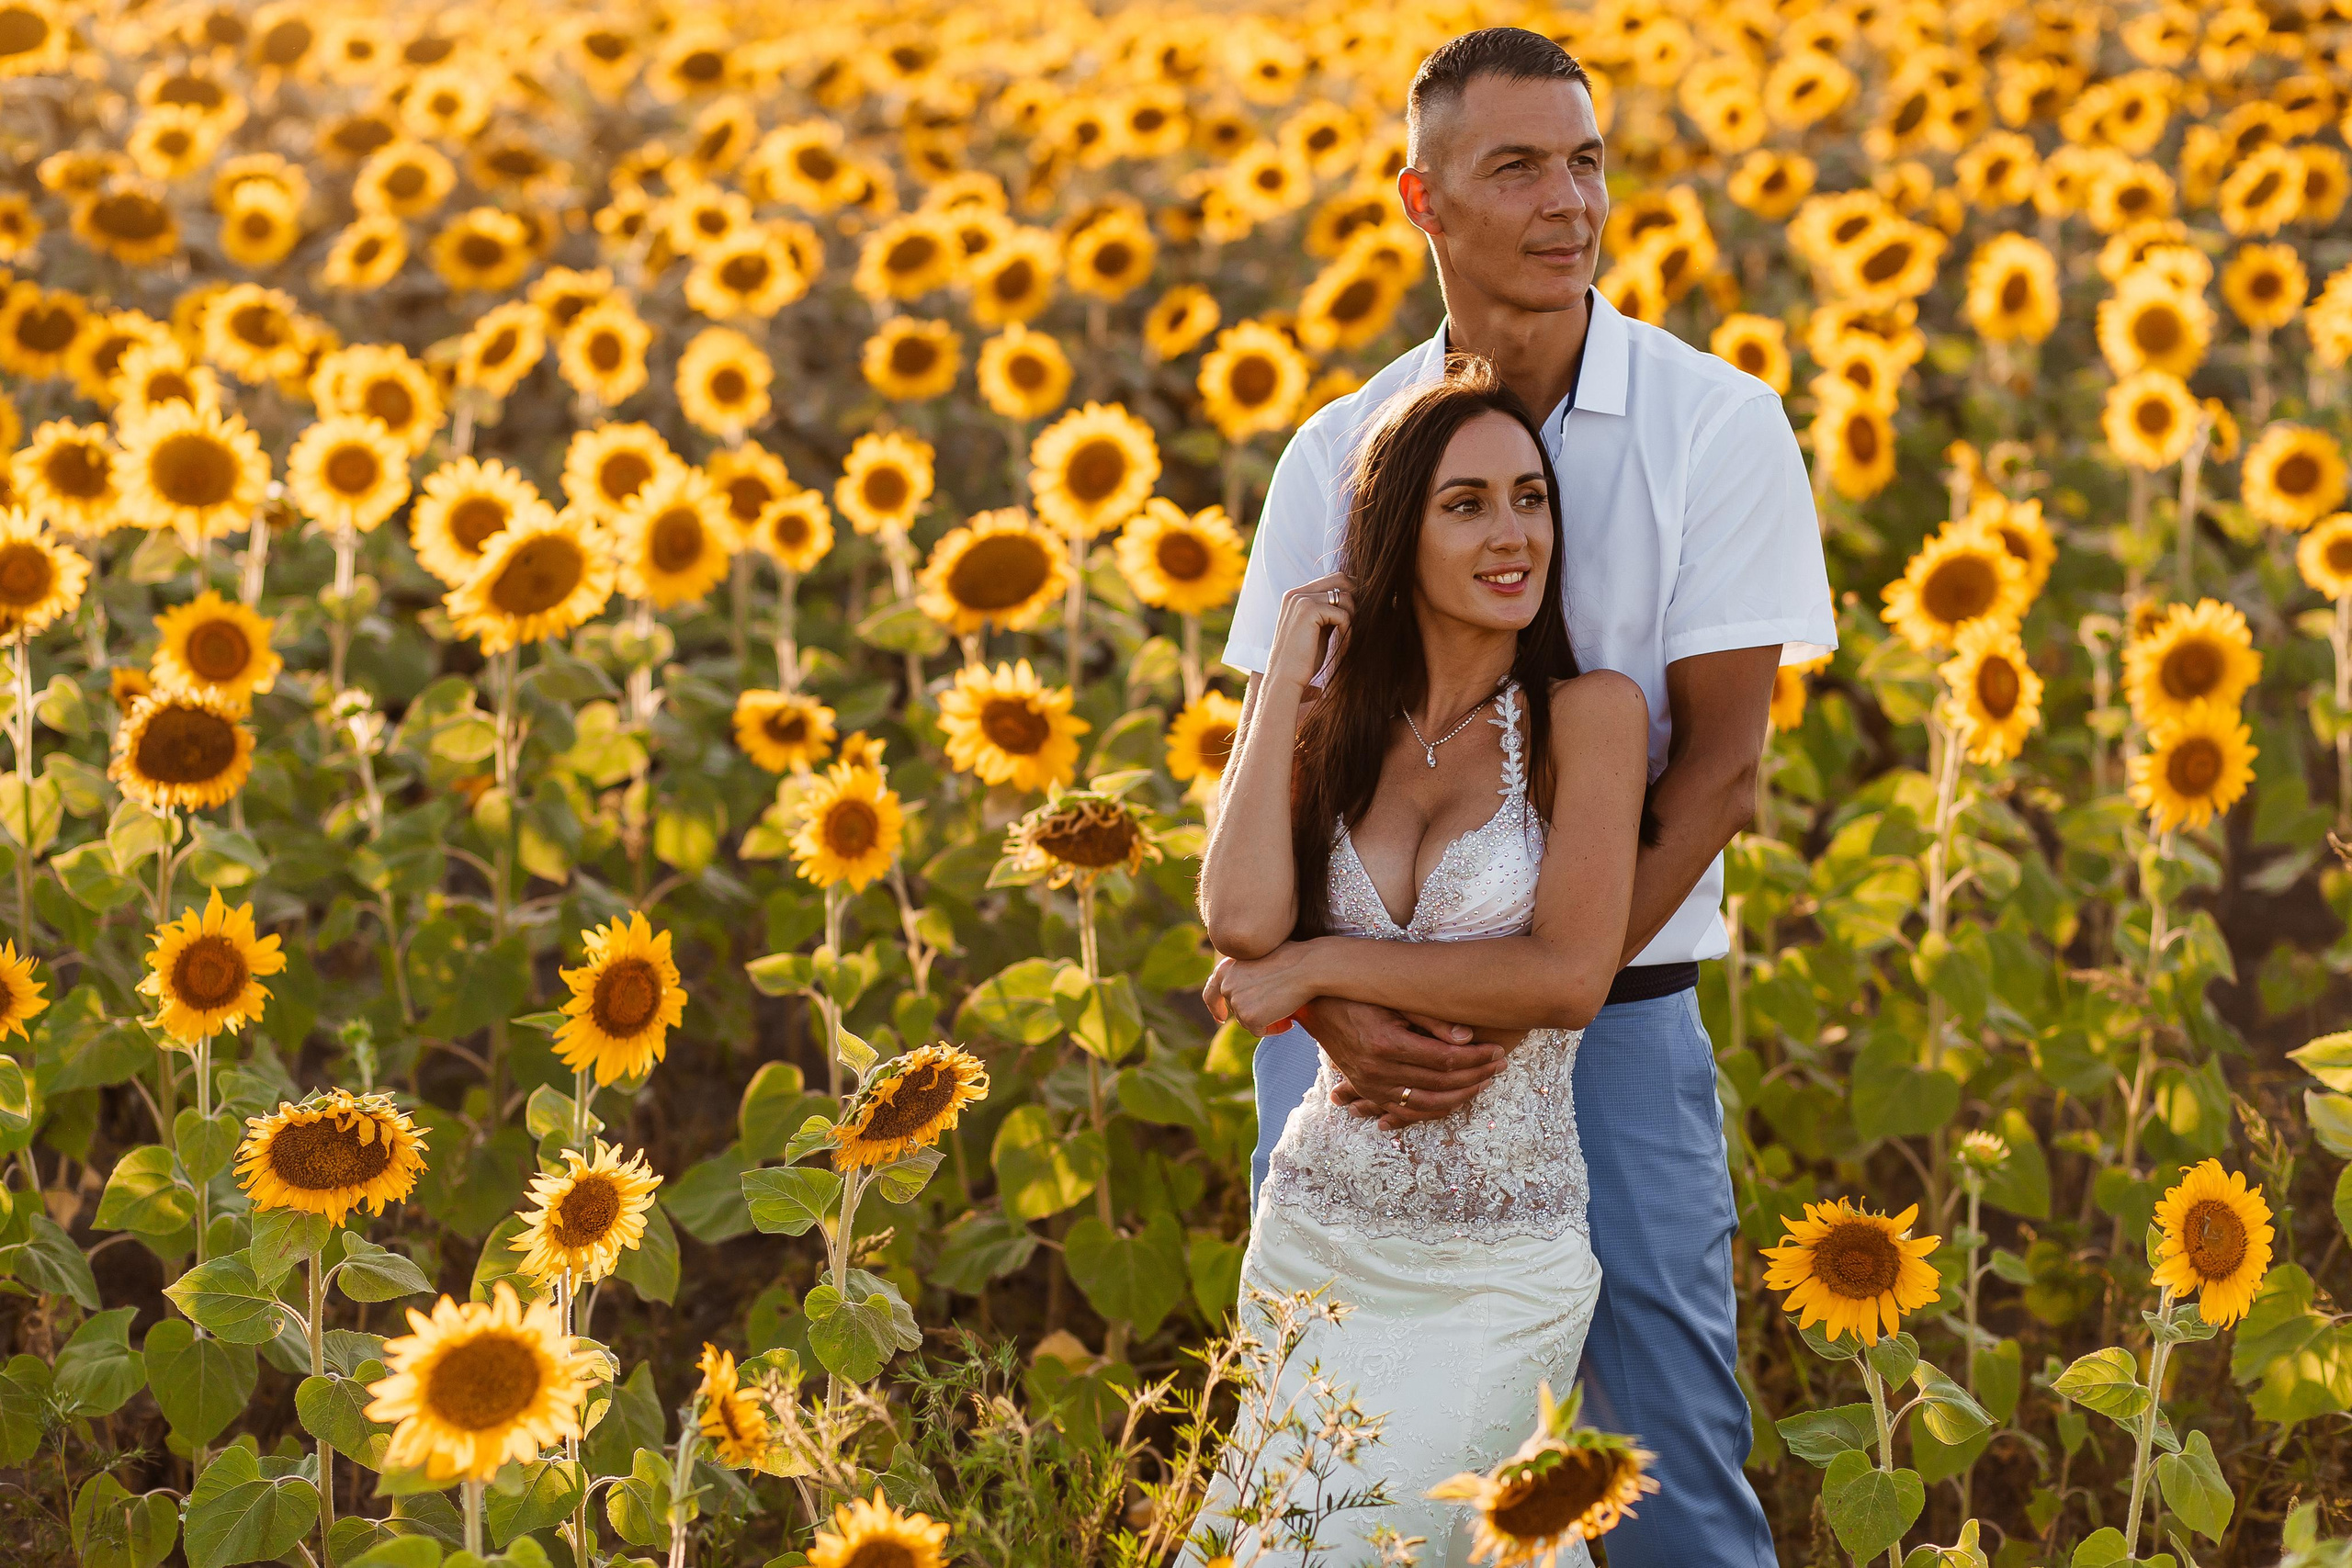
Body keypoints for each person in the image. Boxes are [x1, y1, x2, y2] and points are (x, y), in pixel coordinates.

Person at [1206, 27, 1835, 1566]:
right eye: (1518, 167)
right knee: (1326, 1458)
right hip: (1346, 1044)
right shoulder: (1331, 452)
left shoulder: (1716, 424)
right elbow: (1281, 763)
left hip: (1613, 1016)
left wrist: (1526, 988)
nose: (1571, 202)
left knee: (1660, 1458)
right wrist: (1338, 1002)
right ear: (1423, 201)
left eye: (1587, 160)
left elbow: (1726, 763)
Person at [1197, 359, 1648, 1564]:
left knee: (1389, 1545)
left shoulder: (1586, 716)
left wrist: (1319, 970)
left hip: (1498, 1262)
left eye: (1530, 498)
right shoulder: (1331, 721)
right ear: (1396, 535)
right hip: (1314, 1237)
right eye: (1467, 504)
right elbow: (1240, 923)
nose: (1513, 535)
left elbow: (1565, 977)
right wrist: (1286, 672)